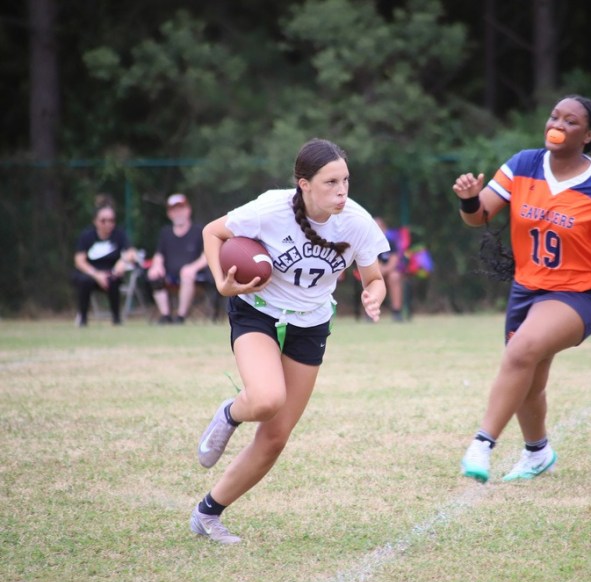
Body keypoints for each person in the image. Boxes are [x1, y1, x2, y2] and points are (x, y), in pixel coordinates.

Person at [189, 138, 389, 544]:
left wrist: (374, 294)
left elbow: (375, 277)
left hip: (311, 323)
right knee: (264, 399)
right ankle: (230, 413)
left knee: (276, 436)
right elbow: (213, 232)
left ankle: (207, 514)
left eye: (346, 180)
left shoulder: (356, 222)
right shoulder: (270, 209)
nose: (342, 191)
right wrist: (221, 283)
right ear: (304, 184)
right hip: (257, 310)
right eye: (331, 182)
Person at [452, 94, 591, 483]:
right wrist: (470, 199)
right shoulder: (524, 164)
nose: (557, 124)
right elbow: (480, 217)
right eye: (555, 116)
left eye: (571, 121)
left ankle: (482, 444)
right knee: (528, 379)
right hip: (527, 289)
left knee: (521, 351)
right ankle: (538, 452)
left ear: (588, 136)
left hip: (581, 295)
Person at [71, 194, 138, 327]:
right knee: (85, 281)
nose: (108, 224)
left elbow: (131, 252)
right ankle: (82, 318)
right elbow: (79, 261)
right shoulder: (87, 236)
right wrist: (96, 274)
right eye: (103, 220)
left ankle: (116, 318)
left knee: (113, 279)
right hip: (90, 273)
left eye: (111, 220)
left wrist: (122, 262)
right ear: (95, 221)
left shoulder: (119, 235)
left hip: (110, 273)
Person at [146, 193, 210, 324]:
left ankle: (180, 316)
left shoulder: (199, 231)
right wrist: (157, 266)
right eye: (174, 210)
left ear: (188, 210)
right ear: (169, 214)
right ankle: (166, 315)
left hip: (195, 277)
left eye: (180, 208)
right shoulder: (165, 233)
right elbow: (159, 254)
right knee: (153, 274)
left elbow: (207, 255)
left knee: (186, 274)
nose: (178, 213)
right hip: (170, 276)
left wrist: (193, 268)